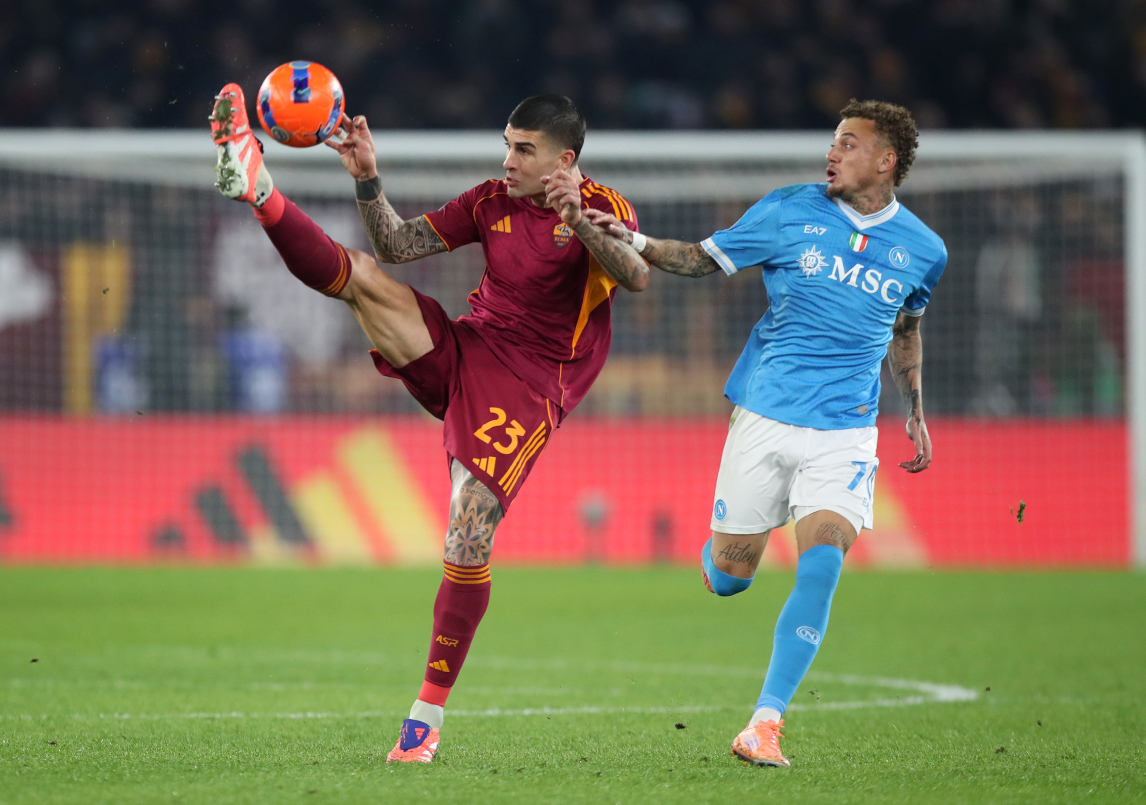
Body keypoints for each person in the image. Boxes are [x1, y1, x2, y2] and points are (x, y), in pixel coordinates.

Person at [209, 87, 648, 763]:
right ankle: (259, 187)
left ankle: (424, 718)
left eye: (523, 150)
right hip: (465, 348)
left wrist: (579, 219)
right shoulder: (489, 201)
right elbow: (396, 242)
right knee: (362, 274)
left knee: (468, 533)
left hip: (530, 387)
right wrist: (366, 175)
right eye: (506, 144)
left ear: (564, 159)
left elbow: (636, 273)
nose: (508, 160)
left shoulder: (603, 207)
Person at [585, 99, 946, 768]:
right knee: (731, 578)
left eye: (849, 142)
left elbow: (907, 327)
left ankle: (765, 723)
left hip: (844, 433)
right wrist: (633, 241)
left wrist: (915, 408)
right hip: (765, 414)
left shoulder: (925, 251)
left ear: (886, 159)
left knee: (824, 560)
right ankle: (721, 553)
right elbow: (699, 259)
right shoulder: (787, 210)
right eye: (833, 140)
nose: (832, 152)